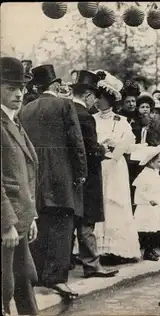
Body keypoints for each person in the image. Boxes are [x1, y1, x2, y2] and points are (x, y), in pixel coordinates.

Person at [19, 64, 87, 299]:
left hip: (35, 175)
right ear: (56, 86)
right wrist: (81, 172)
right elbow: (76, 142)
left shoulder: (25, 110)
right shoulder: (64, 105)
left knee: (41, 224)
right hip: (61, 175)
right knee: (62, 226)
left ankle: (37, 276)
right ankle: (57, 279)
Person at [69, 70, 119, 279]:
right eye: (94, 97)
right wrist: (103, 150)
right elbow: (89, 149)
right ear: (88, 95)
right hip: (88, 176)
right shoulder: (86, 117)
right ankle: (92, 265)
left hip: (70, 175)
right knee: (87, 222)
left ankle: (69, 262)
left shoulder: (66, 110)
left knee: (71, 221)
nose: (95, 102)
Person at [1, 57, 39, 316]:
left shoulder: (13, 121)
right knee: (6, 287)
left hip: (21, 219)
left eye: (21, 88)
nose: (18, 94)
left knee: (25, 280)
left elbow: (24, 173)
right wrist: (6, 224)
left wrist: (31, 216)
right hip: (8, 224)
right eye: (10, 88)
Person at [92, 70, 142, 264]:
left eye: (101, 98)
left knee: (115, 204)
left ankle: (117, 249)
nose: (98, 101)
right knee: (100, 204)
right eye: (97, 98)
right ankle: (98, 249)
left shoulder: (121, 121)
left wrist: (116, 144)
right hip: (99, 166)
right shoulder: (92, 119)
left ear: (110, 101)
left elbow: (130, 143)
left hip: (115, 167)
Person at [133, 142, 160, 261]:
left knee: (155, 228)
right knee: (148, 230)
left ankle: (151, 250)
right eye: (159, 161)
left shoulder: (155, 173)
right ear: (151, 162)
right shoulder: (144, 175)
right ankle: (147, 252)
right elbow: (140, 192)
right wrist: (149, 200)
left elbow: (158, 186)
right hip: (147, 207)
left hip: (156, 206)